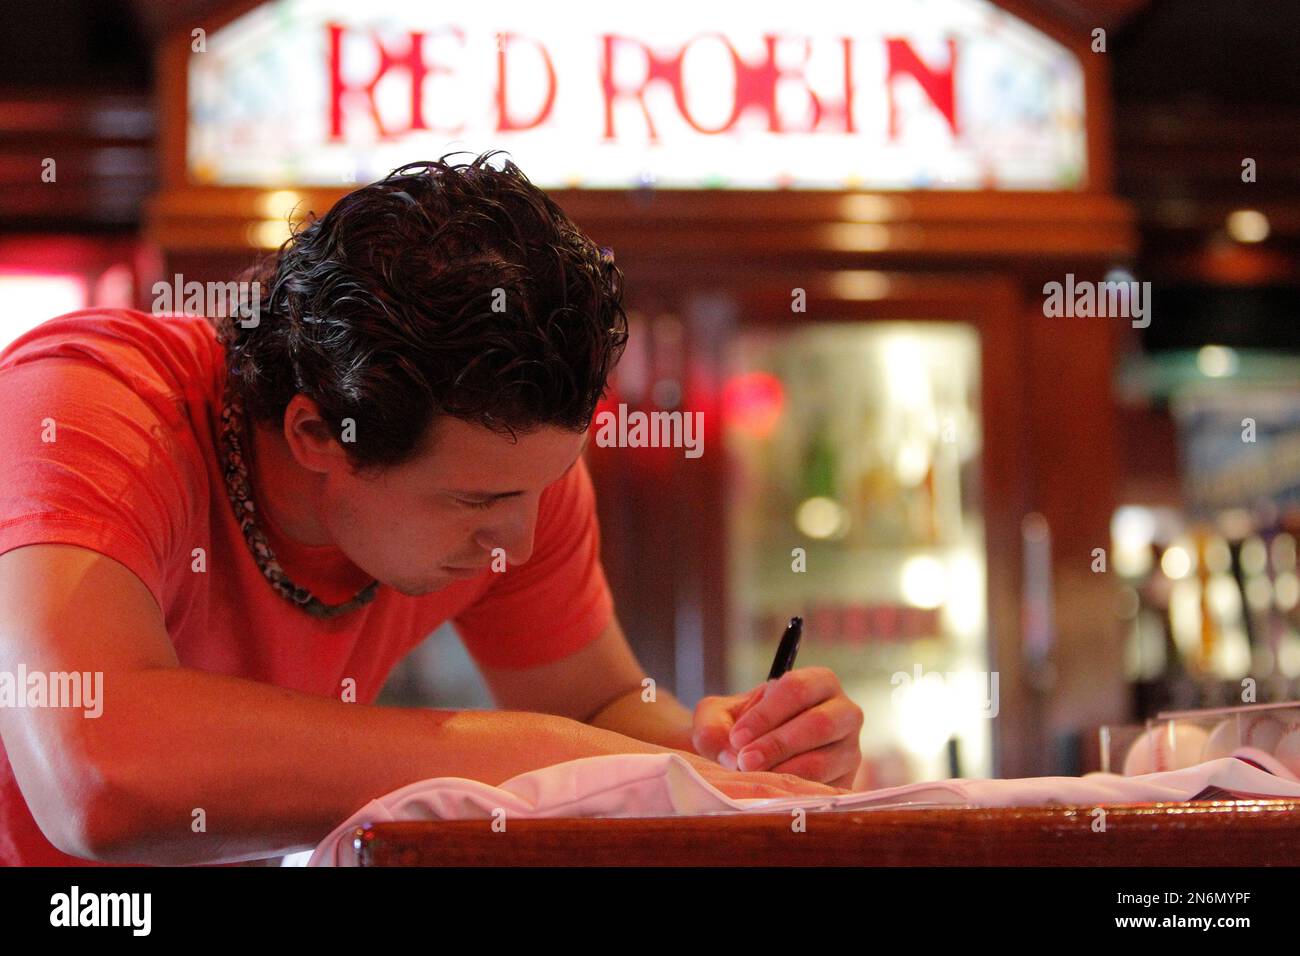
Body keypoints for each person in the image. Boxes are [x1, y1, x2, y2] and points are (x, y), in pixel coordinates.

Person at [0, 151, 863, 866]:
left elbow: (595, 712)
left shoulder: (513, 466)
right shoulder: (91, 406)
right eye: (475, 500)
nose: (516, 546)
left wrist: (721, 755)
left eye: (538, 488)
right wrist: (530, 755)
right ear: (316, 433)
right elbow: (97, 775)